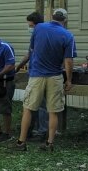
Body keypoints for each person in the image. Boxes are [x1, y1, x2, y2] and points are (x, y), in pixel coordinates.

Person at [11, 8, 76, 152]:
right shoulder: (68, 35)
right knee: (53, 111)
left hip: (36, 76)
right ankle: (49, 143)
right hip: (55, 77)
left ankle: (21, 142)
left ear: (52, 17)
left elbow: (32, 51)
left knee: (28, 108)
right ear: (65, 20)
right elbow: (69, 61)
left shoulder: (38, 28)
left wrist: (19, 66)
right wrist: (69, 80)